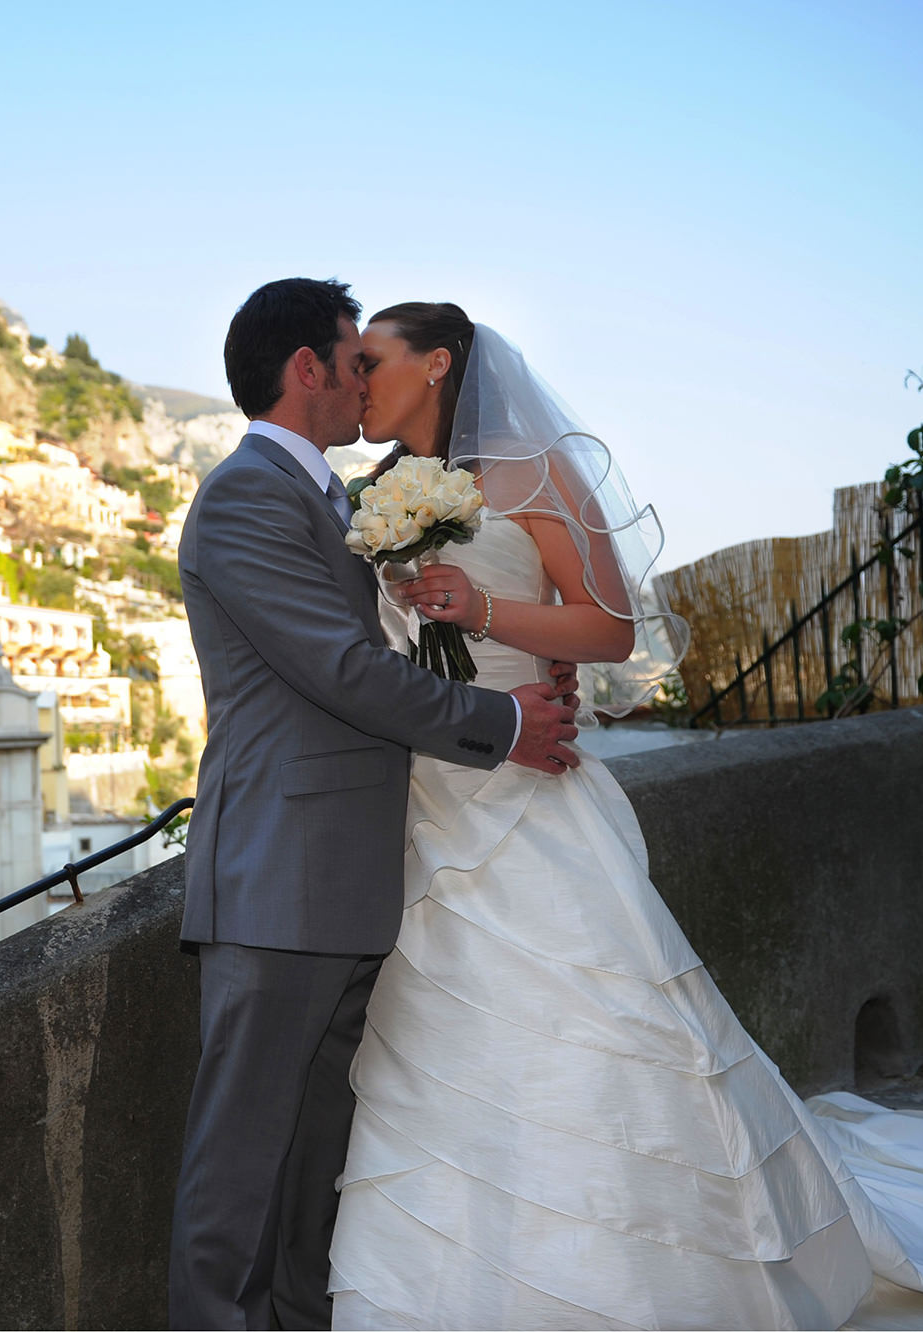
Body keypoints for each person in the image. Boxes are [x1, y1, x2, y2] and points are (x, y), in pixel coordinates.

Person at [324, 303, 923, 1329]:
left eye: (372, 358)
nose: (354, 375)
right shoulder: (363, 501)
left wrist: (482, 610)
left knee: (592, 1015)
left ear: (436, 362)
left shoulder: (532, 472)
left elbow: (610, 624)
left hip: (525, 788)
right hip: (423, 797)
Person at [168, 278, 584, 1331]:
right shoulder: (246, 496)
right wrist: (500, 725)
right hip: (279, 876)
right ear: (306, 368)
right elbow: (339, 670)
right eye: (354, 361)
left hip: (341, 873)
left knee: (311, 1172)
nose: (366, 383)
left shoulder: (321, 501)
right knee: (238, 1174)